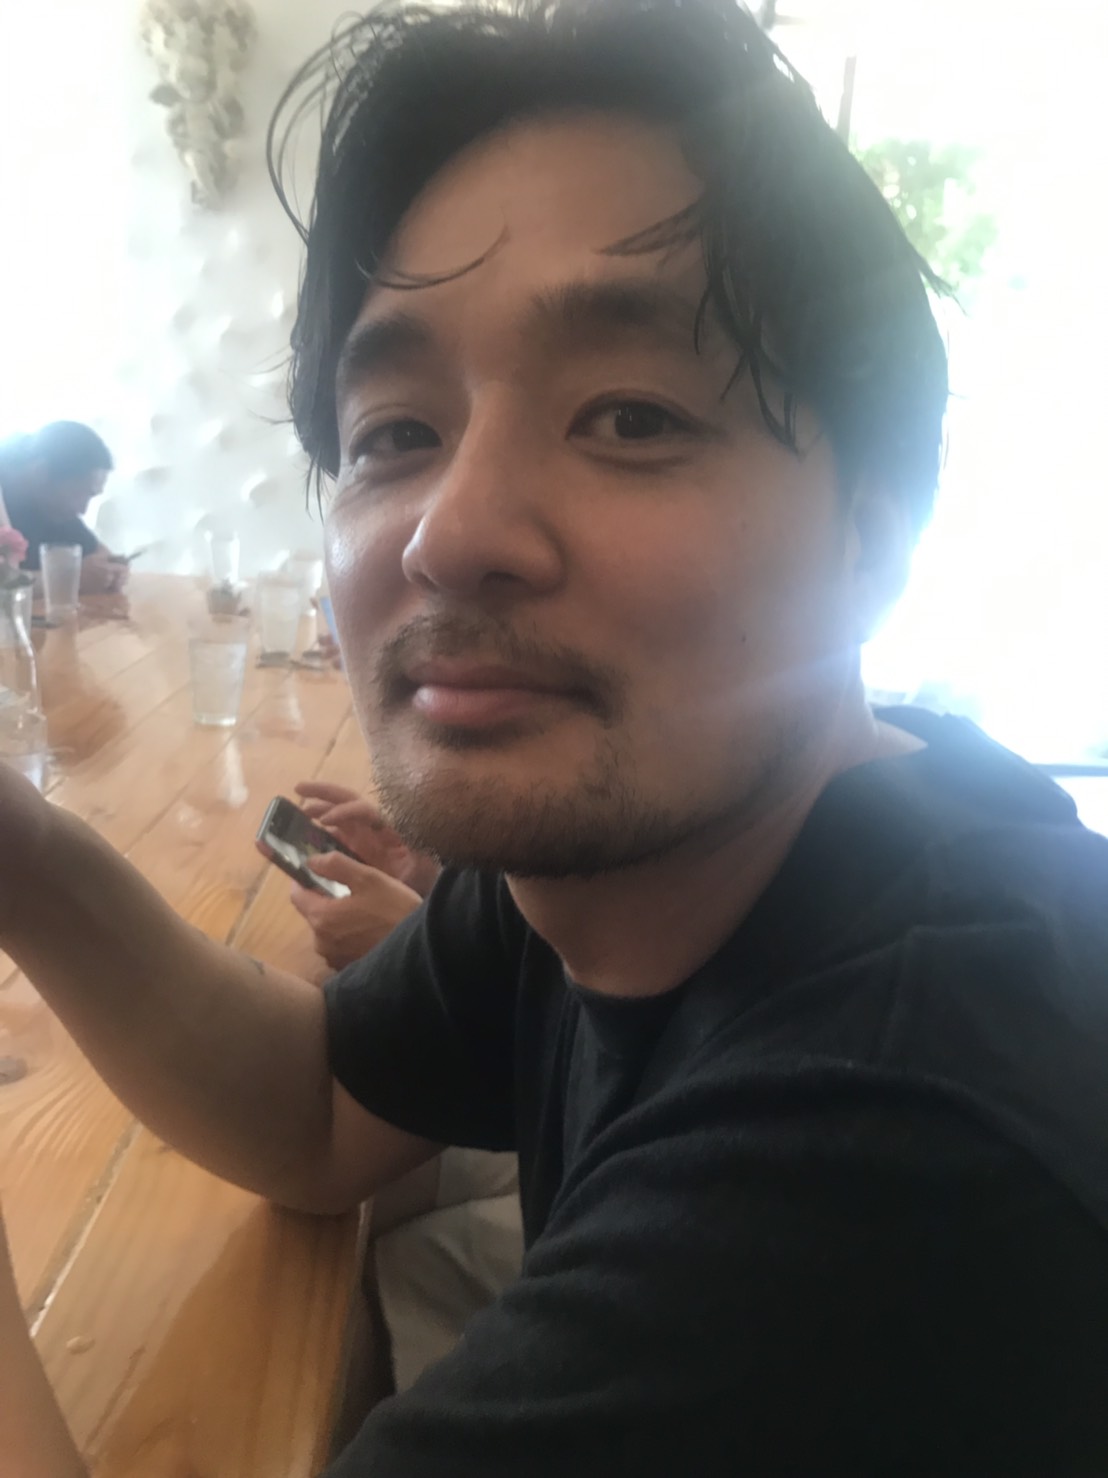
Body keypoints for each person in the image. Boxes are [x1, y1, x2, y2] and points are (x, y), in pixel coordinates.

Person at [2, 2, 1108, 1473]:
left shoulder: (909, 1149)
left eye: (631, 417)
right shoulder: (631, 844)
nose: (450, 533)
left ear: (870, 539)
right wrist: (22, 853)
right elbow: (314, 1109)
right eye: (395, 433)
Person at [0, 421, 126, 594]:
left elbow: (99, 554)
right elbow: (5, 584)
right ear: (40, 472)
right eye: (78, 494)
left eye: (90, 496)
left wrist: (110, 571)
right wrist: (70, 579)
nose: (83, 510)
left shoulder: (50, 504)